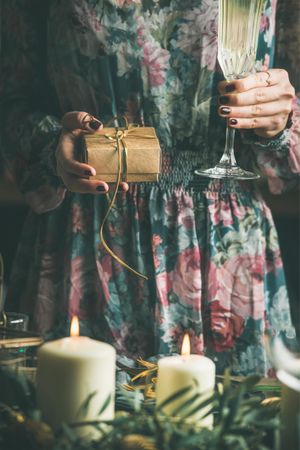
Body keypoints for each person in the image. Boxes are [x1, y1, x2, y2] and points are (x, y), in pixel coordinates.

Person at [0, 0, 299, 376]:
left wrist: (282, 121)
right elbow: (10, 101)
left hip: (225, 249)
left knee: (230, 427)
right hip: (88, 235)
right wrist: (52, 148)